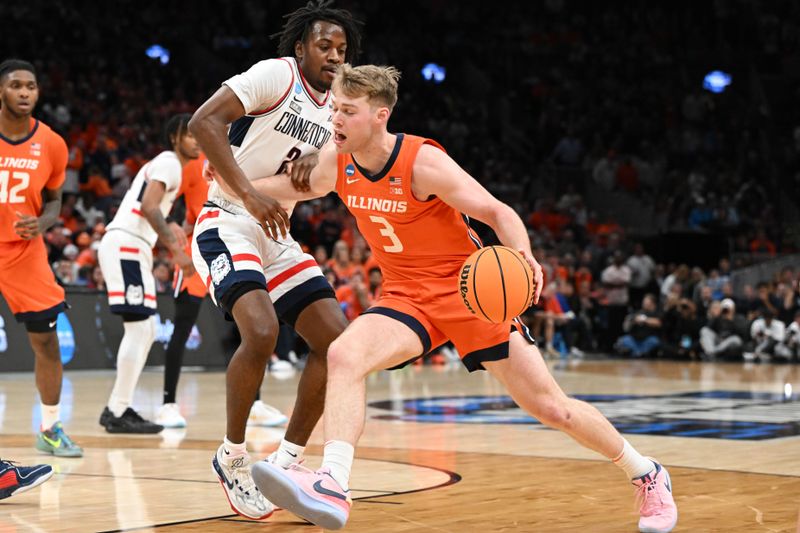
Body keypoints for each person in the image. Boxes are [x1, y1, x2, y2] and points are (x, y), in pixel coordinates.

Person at [249, 64, 677, 532]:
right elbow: (294, 186)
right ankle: (333, 482)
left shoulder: (423, 163)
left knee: (553, 408)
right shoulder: (338, 161)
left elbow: (497, 211)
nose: (335, 119)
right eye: (334, 108)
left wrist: (524, 256)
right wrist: (232, 184)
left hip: (469, 294)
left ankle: (647, 473)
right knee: (344, 354)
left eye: (348, 111)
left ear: (380, 115)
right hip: (406, 297)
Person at [187, 0, 361, 520]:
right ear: (301, 47)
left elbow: (337, 168)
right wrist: (249, 192)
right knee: (261, 331)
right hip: (226, 218)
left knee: (337, 345)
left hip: (276, 232)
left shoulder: (337, 108)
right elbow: (204, 122)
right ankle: (232, 456)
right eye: (325, 46)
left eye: (342, 49)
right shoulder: (276, 75)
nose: (334, 56)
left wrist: (322, 158)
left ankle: (286, 463)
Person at [156, 155, 287, 428]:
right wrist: (171, 223)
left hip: (234, 247)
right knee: (181, 329)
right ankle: (168, 404)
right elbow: (162, 201)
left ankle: (254, 404)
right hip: (199, 250)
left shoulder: (246, 154)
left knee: (248, 330)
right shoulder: (194, 164)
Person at [0, 59, 82, 457]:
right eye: (15, 85)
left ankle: (50, 427)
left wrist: (44, 222)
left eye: (30, 86)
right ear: (1, 91)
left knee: (47, 342)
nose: (24, 92)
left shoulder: (51, 143)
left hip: (23, 252)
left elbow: (54, 200)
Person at [97, 113, 199, 433]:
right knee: (141, 329)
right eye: (190, 134)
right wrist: (177, 252)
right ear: (174, 138)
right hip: (127, 244)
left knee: (147, 330)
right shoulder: (170, 162)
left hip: (133, 245)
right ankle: (117, 410)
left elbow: (152, 208)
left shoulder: (167, 165)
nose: (197, 140)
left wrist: (170, 226)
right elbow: (149, 206)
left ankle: (119, 407)